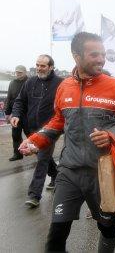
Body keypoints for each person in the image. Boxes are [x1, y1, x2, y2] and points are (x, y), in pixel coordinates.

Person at [18, 32, 115, 252]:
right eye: (94, 54)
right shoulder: (65, 87)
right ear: (76, 56)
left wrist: (111, 135)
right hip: (69, 170)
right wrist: (35, 141)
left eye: (103, 54)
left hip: (103, 173)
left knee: (107, 228)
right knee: (56, 234)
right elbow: (58, 121)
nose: (101, 59)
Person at [11, 55, 63, 208]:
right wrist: (16, 114)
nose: (39, 68)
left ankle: (34, 195)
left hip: (49, 129)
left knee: (42, 159)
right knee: (42, 155)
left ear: (51, 67)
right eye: (37, 65)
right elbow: (20, 101)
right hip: (30, 127)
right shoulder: (30, 82)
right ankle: (55, 175)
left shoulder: (60, 83)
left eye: (43, 66)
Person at [5, 65, 29, 161]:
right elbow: (9, 98)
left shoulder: (30, 82)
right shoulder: (12, 83)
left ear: (25, 72)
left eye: (20, 72)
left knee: (31, 135)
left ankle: (39, 152)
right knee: (15, 135)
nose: (18, 74)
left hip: (27, 114)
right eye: (17, 72)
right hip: (15, 114)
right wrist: (7, 113)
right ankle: (17, 154)